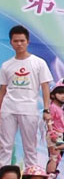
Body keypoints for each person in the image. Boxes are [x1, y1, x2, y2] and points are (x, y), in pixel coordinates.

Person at [0, 25, 53, 169]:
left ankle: (31, 177)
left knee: (30, 147)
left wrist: (46, 109)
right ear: (11, 42)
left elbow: (45, 87)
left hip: (28, 109)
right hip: (8, 109)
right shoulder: (6, 65)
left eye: (22, 41)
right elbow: (2, 90)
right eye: (16, 41)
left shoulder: (38, 63)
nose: (19, 44)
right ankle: (3, 177)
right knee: (5, 146)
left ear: (28, 42)